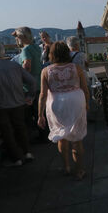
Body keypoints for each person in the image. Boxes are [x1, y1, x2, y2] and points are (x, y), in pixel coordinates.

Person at [37, 41, 89, 180]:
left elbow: (43, 95)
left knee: (62, 137)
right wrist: (87, 103)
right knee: (77, 139)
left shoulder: (45, 71)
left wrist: (40, 114)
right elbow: (84, 88)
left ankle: (66, 167)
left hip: (56, 104)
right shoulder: (76, 68)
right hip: (76, 101)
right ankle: (79, 170)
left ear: (51, 54)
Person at [0, 43, 37, 166]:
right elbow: (32, 82)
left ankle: (16, 158)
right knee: (21, 128)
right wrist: (30, 97)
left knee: (7, 132)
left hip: (2, 106)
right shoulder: (14, 65)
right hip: (19, 103)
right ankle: (27, 153)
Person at [12, 27, 47, 143]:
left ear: (22, 37)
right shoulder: (36, 47)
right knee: (40, 111)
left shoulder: (26, 50)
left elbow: (27, 66)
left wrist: (19, 76)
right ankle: (44, 134)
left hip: (29, 86)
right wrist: (17, 33)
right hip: (38, 83)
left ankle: (36, 137)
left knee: (29, 113)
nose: (16, 39)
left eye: (17, 37)